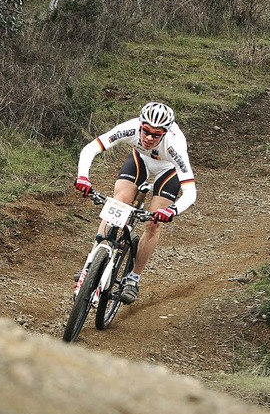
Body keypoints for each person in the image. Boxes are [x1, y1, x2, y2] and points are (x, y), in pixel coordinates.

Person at [74, 102, 197, 304]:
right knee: (119, 203)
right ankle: (92, 263)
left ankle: (133, 278)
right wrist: (83, 177)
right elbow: (91, 149)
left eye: (156, 135)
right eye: (146, 131)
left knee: (153, 222)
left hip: (169, 170)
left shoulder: (175, 147)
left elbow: (190, 192)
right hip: (140, 160)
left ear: (165, 133)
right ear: (140, 125)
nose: (148, 138)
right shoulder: (130, 128)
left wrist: (172, 211)